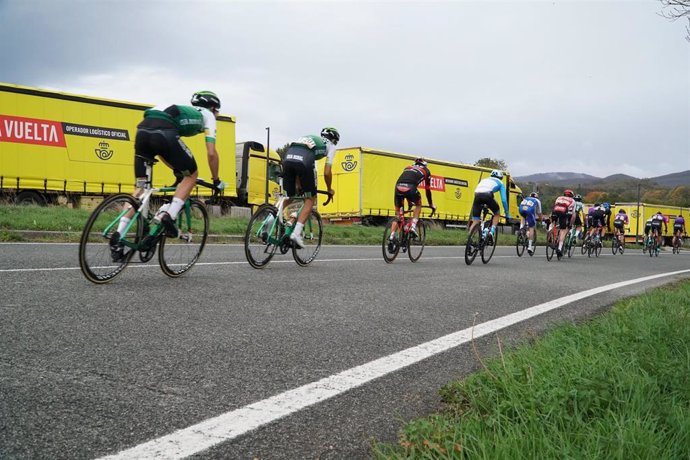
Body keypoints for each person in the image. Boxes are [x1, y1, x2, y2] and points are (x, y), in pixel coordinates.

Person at [111, 90, 223, 261]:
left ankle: (118, 235)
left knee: (140, 189)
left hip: (142, 130)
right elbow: (211, 153)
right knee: (192, 175)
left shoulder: (184, 109)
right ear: (213, 107)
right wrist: (216, 180)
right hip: (164, 131)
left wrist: (177, 169)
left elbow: (162, 151)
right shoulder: (208, 115)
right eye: (217, 111)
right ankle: (168, 217)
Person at [281, 127, 339, 248]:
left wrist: (299, 184)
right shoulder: (331, 147)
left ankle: (269, 222)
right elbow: (327, 172)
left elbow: (297, 165)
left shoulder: (310, 137)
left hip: (289, 156)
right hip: (304, 160)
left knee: (289, 196)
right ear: (333, 139)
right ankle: (296, 234)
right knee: (310, 199)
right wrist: (329, 189)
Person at [388, 158, 436, 247]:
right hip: (411, 188)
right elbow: (427, 190)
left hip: (398, 187)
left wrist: (409, 202)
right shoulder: (426, 171)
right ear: (424, 165)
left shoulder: (408, 167)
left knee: (398, 216)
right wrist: (430, 204)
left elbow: (405, 182)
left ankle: (392, 236)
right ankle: (413, 226)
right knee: (418, 204)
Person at [468, 170, 512, 242]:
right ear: (500, 177)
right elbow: (504, 200)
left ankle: (469, 241)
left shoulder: (484, 180)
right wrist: (507, 213)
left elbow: (479, 190)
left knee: (475, 221)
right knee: (497, 213)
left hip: (477, 196)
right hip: (488, 195)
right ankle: (491, 232)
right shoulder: (500, 183)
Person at [550, 189, 576, 258]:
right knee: (563, 230)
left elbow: (555, 206)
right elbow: (573, 215)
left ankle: (551, 237)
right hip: (563, 212)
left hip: (555, 211)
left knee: (553, 223)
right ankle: (559, 248)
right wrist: (570, 225)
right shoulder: (572, 201)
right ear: (572, 196)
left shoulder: (559, 197)